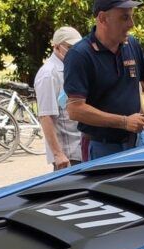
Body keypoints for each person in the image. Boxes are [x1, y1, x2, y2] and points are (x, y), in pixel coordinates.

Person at [63, 0, 144, 161]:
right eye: (124, 17)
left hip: (138, 142)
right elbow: (75, 109)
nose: (132, 24)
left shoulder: (132, 45)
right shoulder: (80, 55)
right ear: (103, 18)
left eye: (131, 17)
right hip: (102, 148)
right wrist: (124, 122)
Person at [35, 26, 84, 171]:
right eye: (70, 47)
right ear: (57, 47)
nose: (75, 51)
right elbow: (46, 117)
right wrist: (58, 154)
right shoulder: (48, 74)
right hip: (69, 156)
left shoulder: (72, 67)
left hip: (82, 149)